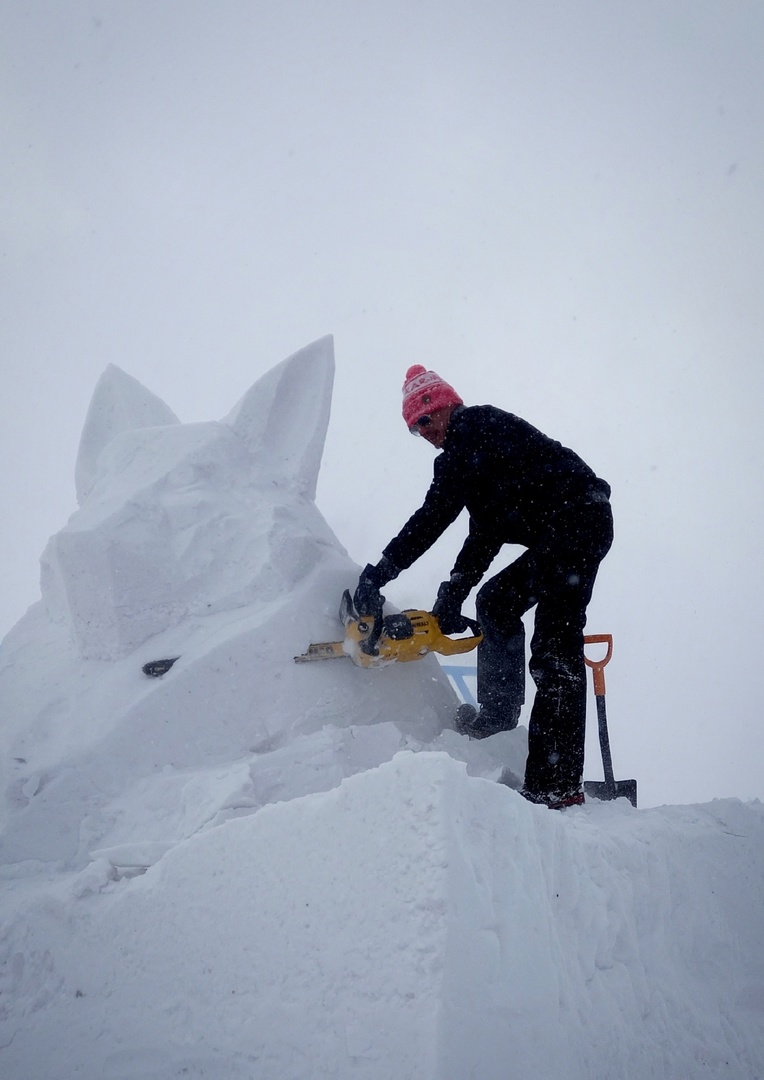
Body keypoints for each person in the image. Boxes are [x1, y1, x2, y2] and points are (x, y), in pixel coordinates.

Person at [353, 364, 613, 810]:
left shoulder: (476, 429)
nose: (424, 433)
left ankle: (556, 785)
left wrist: (379, 573)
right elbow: (483, 536)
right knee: (494, 601)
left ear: (445, 406)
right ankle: (496, 718)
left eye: (424, 420)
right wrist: (450, 597)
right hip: (566, 531)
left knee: (555, 651)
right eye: (415, 430)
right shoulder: (482, 464)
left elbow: (433, 517)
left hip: (577, 523)